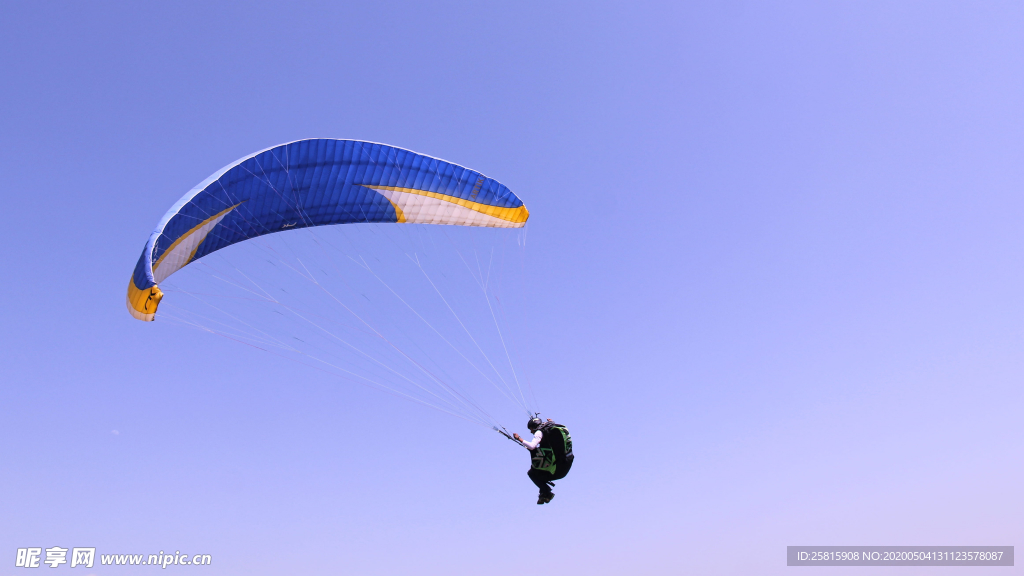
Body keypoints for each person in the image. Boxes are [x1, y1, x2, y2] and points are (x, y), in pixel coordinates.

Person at [513, 417, 573, 505]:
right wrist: (551, 421)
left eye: (531, 429)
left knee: (532, 473)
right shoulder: (551, 427)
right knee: (539, 472)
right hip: (566, 464)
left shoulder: (539, 432)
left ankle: (546, 493)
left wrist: (519, 438)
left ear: (534, 426)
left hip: (557, 470)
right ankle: (545, 494)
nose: (531, 432)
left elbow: (532, 446)